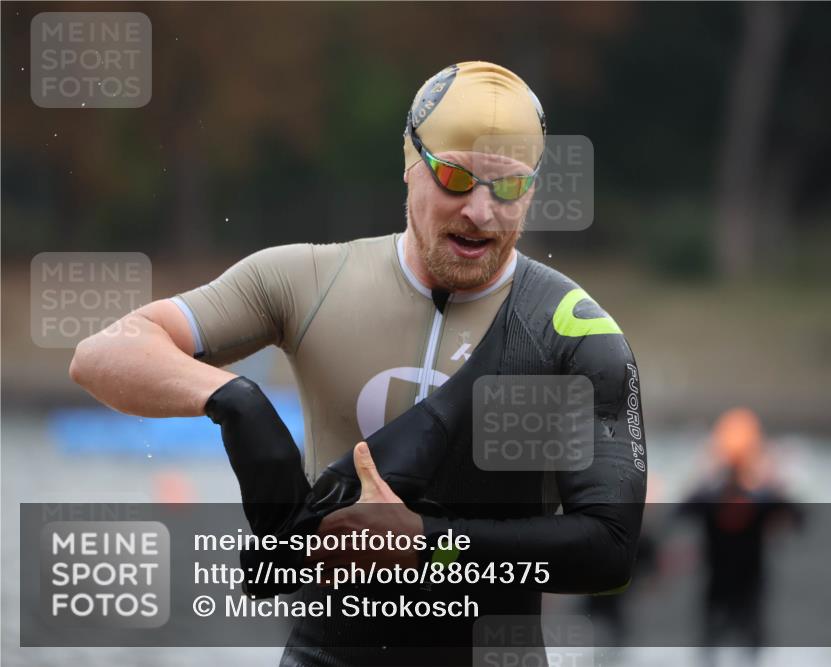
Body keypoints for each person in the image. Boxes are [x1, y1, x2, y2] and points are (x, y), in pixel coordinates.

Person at [70, 61, 647, 665]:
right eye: (454, 178)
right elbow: (103, 354)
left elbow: (608, 550)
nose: (481, 211)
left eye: (507, 187)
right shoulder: (309, 280)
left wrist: (428, 544)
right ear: (409, 163)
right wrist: (235, 402)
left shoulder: (572, 332)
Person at [674, 408, 802, 667]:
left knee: (726, 645)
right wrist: (774, 479)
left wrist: (703, 475)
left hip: (737, 588)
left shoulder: (719, 497)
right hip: (731, 588)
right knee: (735, 645)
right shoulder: (757, 499)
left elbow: (681, 510)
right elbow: (797, 516)